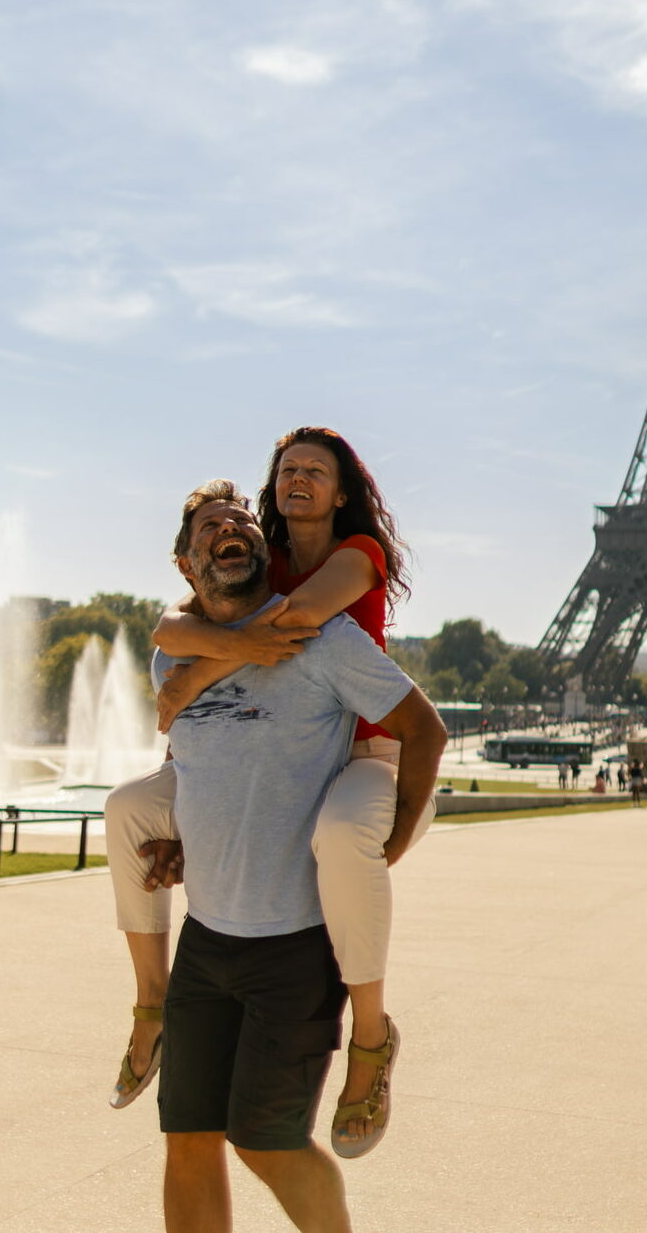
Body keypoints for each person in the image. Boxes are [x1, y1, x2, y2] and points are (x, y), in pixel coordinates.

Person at [103, 428, 428, 1157]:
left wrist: (193, 672)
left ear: (342, 492)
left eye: (317, 470)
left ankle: (371, 1041)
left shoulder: (356, 556)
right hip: (286, 748)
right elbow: (174, 621)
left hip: (368, 750)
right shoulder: (262, 558)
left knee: (343, 839)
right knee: (126, 811)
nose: (299, 479)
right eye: (287, 469)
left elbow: (294, 623)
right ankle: (149, 1001)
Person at [152, 481, 445, 1232]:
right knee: (186, 1142)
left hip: (293, 948)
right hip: (204, 942)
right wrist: (181, 838)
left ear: (263, 547)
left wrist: (397, 837)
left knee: (267, 1142)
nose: (230, 528)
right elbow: (203, 772)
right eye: (211, 526)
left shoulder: (325, 641)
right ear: (188, 566)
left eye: (242, 520)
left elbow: (424, 729)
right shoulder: (171, 668)